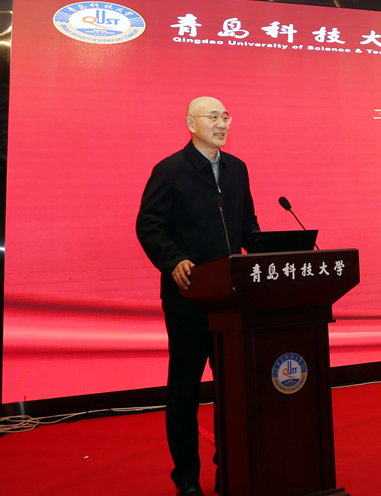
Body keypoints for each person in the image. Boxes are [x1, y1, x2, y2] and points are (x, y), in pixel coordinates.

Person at [136, 96, 260, 496]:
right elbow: (149, 225)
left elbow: (247, 223)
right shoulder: (170, 170)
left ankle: (231, 468)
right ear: (191, 123)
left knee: (233, 389)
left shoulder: (237, 168)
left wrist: (267, 250)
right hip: (189, 296)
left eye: (226, 116)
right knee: (185, 389)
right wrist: (173, 260)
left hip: (232, 298)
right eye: (213, 117)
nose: (222, 123)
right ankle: (187, 478)